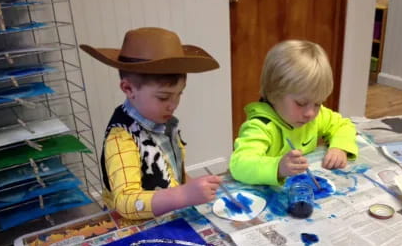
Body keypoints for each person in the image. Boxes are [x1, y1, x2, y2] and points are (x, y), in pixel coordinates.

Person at [80, 27, 222, 219]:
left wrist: (192, 186)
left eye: (179, 94)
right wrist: (183, 194)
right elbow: (126, 202)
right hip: (136, 229)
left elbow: (174, 172)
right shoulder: (121, 137)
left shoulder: (165, 124)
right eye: (164, 97)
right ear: (129, 89)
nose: (173, 105)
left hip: (168, 217)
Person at [230, 40, 358, 186]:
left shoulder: (315, 116)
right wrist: (278, 167)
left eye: (317, 103)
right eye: (301, 103)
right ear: (274, 95)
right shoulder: (260, 127)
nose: (310, 113)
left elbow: (343, 125)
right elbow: (240, 165)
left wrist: (339, 147)